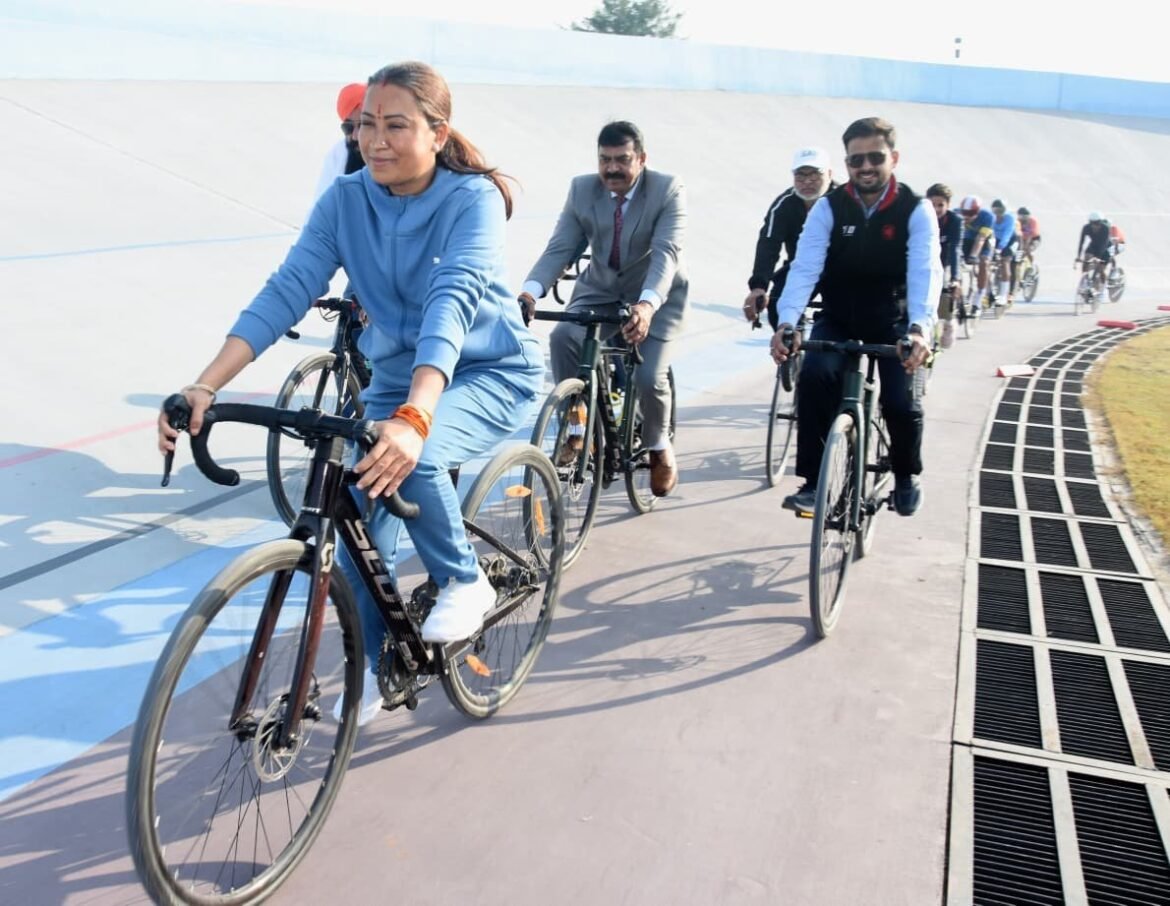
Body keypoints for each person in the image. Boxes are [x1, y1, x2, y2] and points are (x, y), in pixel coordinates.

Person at [158, 61, 545, 723]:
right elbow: (287, 288)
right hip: (395, 380)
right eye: (367, 125)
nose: (376, 141)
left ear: (437, 133)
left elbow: (451, 304)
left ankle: (463, 579)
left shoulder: (472, 199)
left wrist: (416, 415)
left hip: (486, 371)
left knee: (414, 457)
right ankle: (372, 665)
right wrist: (205, 382)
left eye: (396, 125)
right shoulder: (345, 199)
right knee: (361, 527)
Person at [769, 116, 941, 517]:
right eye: (856, 160)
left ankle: (905, 476)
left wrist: (920, 329)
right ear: (846, 163)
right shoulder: (829, 207)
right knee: (814, 378)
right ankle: (813, 483)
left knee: (900, 402)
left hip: (895, 322)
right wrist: (788, 321)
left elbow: (925, 272)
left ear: (894, 158)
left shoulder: (915, 209)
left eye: (875, 158)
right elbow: (805, 268)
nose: (865, 167)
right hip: (839, 316)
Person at [519, 120, 687, 498]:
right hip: (600, 290)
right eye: (604, 160)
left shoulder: (667, 189)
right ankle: (577, 431)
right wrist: (530, 293)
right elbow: (561, 248)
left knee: (649, 378)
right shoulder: (582, 189)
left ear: (641, 159)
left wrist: (647, 305)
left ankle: (659, 445)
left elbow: (666, 254)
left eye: (622, 160)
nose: (612, 168)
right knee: (563, 338)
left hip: (656, 297)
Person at [742, 147, 839, 330]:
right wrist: (758, 287)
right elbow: (768, 245)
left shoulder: (844, 200)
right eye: (800, 177)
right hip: (801, 265)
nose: (807, 182)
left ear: (829, 174)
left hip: (841, 268)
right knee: (777, 305)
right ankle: (791, 341)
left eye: (814, 176)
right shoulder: (784, 205)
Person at [313, 82, 367, 203]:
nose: (355, 136)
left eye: (363, 125)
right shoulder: (337, 155)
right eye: (348, 127)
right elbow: (321, 203)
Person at [926, 183, 962, 348]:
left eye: (940, 205)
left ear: (948, 205)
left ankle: (949, 321)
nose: (936, 209)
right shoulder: (921, 217)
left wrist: (955, 278)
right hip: (925, 260)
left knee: (947, 291)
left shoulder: (955, 221)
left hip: (945, 261)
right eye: (932, 204)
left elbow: (955, 249)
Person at [958, 194, 996, 314]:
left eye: (971, 213)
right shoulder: (956, 214)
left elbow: (981, 238)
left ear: (978, 211)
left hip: (985, 240)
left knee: (984, 261)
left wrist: (973, 256)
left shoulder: (988, 217)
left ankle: (979, 298)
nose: (967, 216)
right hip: (967, 240)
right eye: (964, 212)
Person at [990, 198, 1020, 306]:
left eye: (1000, 211)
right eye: (996, 211)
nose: (998, 214)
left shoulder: (1009, 218)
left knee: (1006, 262)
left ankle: (1004, 295)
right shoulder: (991, 217)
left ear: (1004, 211)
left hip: (1011, 241)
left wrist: (1000, 248)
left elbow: (1007, 235)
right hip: (996, 240)